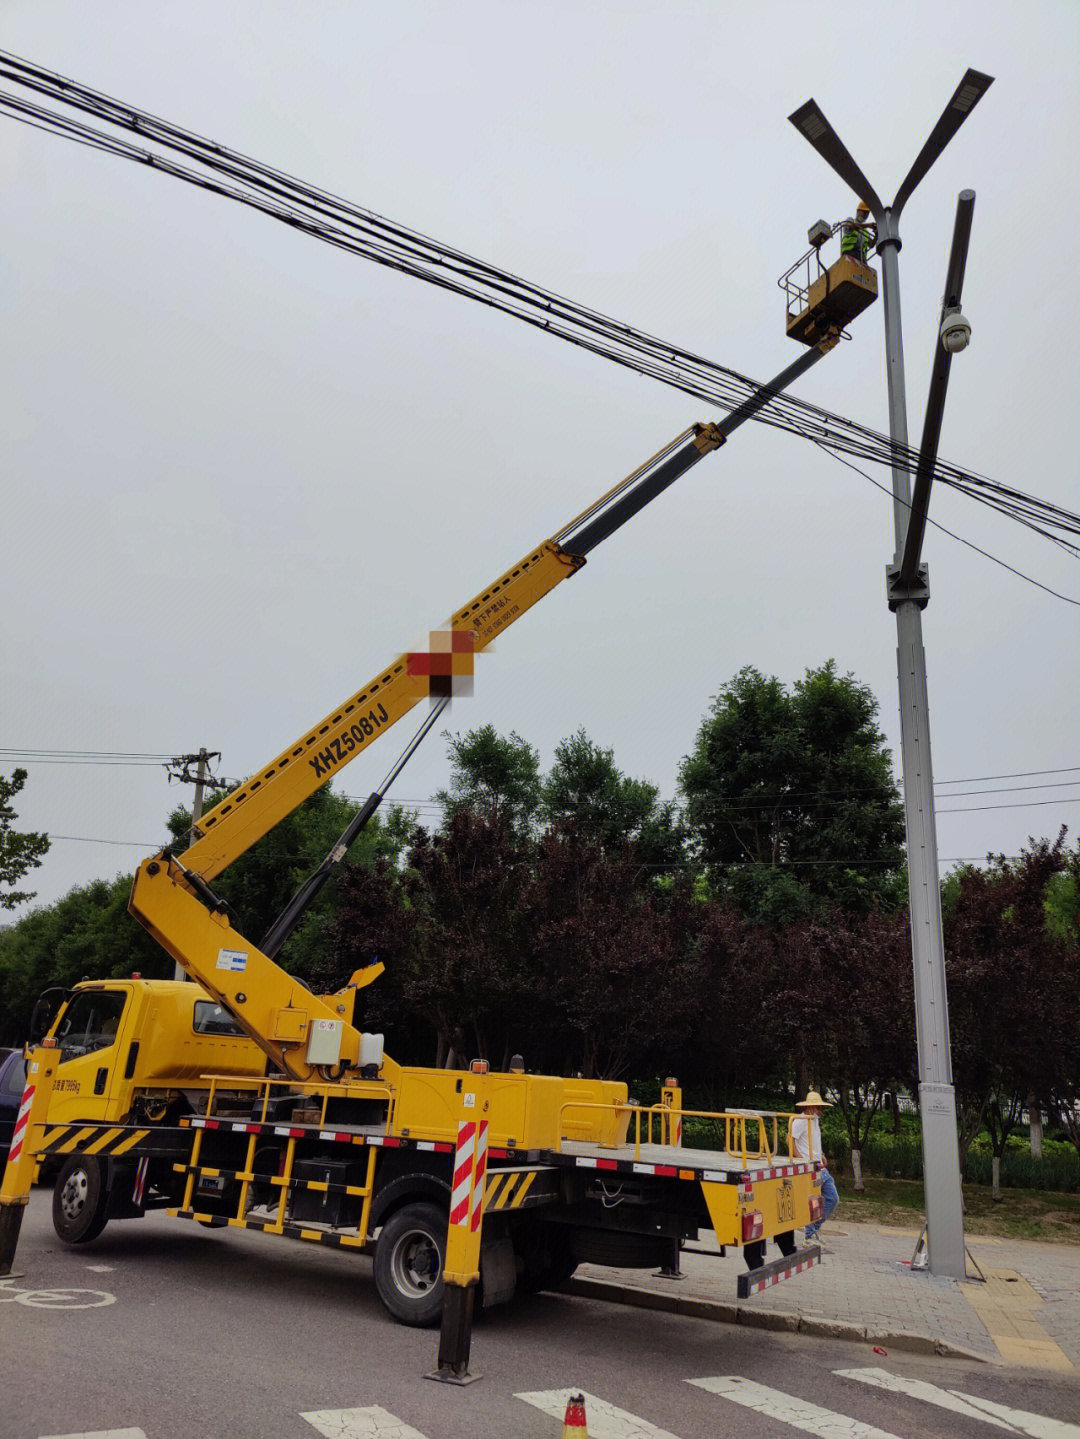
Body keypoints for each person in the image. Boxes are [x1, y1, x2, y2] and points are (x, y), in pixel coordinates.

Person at [790, 1089, 839, 1243]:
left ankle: (814, 1228)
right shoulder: (800, 1121)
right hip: (810, 1168)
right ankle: (810, 1235)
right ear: (810, 1107)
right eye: (818, 1108)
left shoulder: (814, 1120)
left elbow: (815, 1141)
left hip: (819, 1167)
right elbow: (791, 1143)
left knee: (833, 1198)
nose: (820, 1111)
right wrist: (802, 1162)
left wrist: (822, 1154)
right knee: (814, 1202)